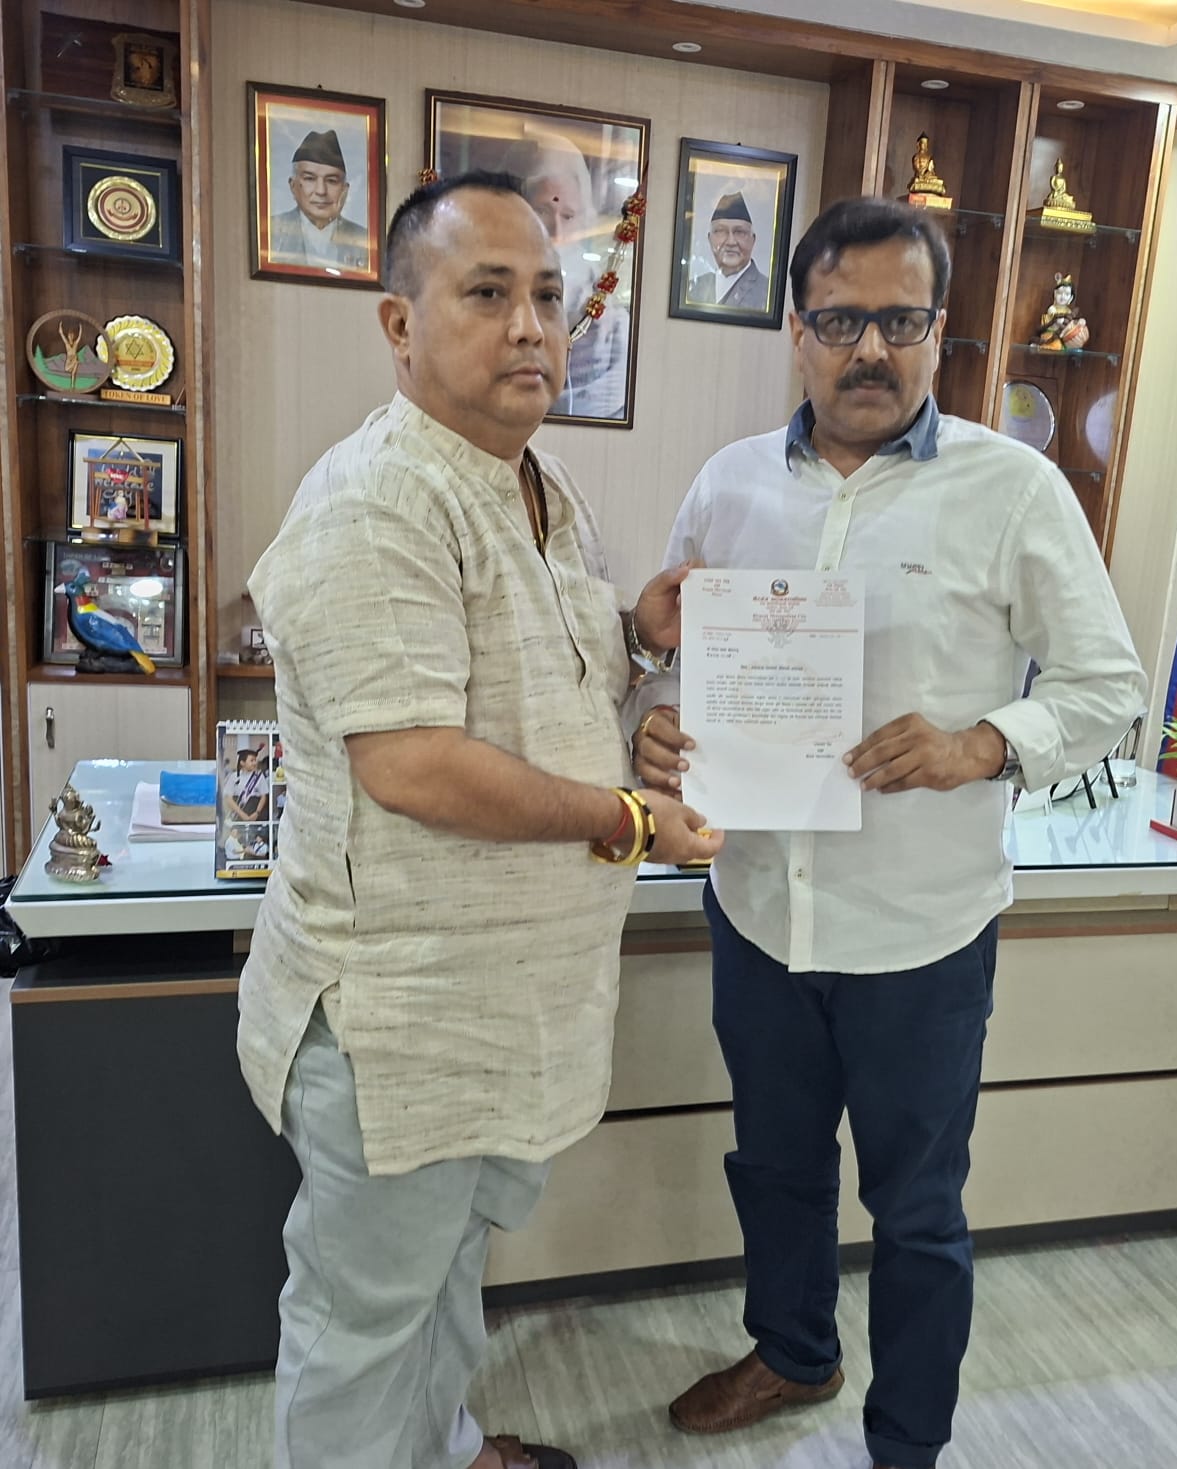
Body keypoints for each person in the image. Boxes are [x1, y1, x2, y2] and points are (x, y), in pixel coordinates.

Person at [635, 195, 1147, 1469]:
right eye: (840, 321)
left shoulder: (1014, 489)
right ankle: (792, 1349)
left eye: (900, 321)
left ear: (939, 329)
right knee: (774, 1166)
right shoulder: (726, 484)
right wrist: (654, 724)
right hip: (759, 909)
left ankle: (905, 1442)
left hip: (921, 930)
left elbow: (1106, 686)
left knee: (916, 1210)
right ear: (796, 330)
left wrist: (982, 743)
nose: (870, 349)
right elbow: (673, 660)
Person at [237, 169, 721, 1469]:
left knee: (445, 1273)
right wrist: (629, 816)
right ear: (400, 323)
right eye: (488, 293)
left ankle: (442, 1448)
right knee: (362, 1317)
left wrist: (636, 640)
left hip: (506, 1007)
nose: (529, 327)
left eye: (549, 297)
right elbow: (415, 765)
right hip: (400, 1019)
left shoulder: (535, 483)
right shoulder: (378, 499)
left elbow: (538, 679)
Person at [503, 133, 630, 420]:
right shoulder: (489, 304)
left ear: (584, 219)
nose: (557, 233)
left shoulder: (614, 325)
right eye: (542, 211)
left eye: (568, 216)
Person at [268, 128, 371, 272]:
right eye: (310, 179)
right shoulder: (269, 234)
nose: (321, 191)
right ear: (293, 186)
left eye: (331, 181)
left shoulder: (366, 242)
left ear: (345, 190)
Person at [690, 190, 771, 311]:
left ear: (753, 240)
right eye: (721, 231)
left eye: (739, 232)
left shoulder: (767, 292)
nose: (731, 242)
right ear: (710, 239)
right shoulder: (694, 288)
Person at [223, 746, 269, 820]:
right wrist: (243, 815)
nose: (254, 763)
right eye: (251, 760)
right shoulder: (234, 777)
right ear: (242, 763)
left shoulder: (259, 776)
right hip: (238, 813)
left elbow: (264, 796)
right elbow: (228, 798)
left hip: (256, 813)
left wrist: (257, 813)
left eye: (255, 760)